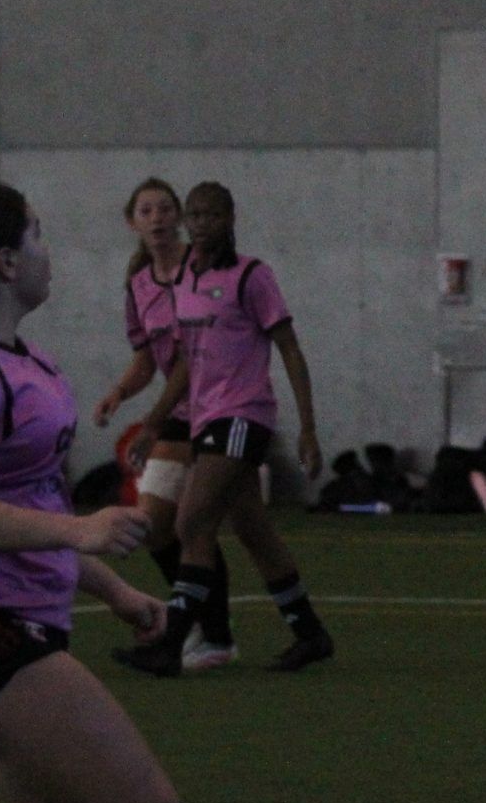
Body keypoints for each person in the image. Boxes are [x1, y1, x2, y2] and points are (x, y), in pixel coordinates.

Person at [0, 181, 245, 803]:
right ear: (4, 261)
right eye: (37, 236)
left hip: (25, 623)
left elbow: (34, 514)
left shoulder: (27, 362)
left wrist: (113, 588)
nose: (49, 250)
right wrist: (78, 532)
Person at [121, 183, 333, 677]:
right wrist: (153, 424)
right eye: (194, 216)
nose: (200, 224)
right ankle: (310, 634)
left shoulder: (251, 276)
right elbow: (185, 363)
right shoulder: (186, 281)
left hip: (242, 415)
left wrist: (308, 428)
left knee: (190, 523)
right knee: (253, 530)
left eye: (211, 215)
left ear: (231, 218)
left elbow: (290, 349)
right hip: (205, 418)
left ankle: (175, 644)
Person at [89, 180, 236, 669]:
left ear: (181, 217)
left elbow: (198, 354)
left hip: (218, 406)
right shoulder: (139, 285)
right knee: (156, 527)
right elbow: (147, 361)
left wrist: (151, 422)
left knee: (201, 524)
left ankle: (212, 632)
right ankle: (205, 625)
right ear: (132, 221)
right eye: (146, 210)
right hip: (175, 416)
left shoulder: (204, 269)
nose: (157, 218)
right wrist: (118, 393)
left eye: (166, 209)